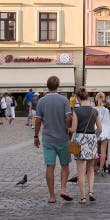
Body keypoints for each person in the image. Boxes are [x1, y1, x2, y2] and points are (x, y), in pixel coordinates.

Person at [34, 75, 75, 204]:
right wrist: (68, 129)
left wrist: (36, 136)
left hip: (48, 139)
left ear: (47, 86)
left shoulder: (41, 101)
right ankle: (63, 189)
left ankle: (52, 196)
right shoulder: (64, 100)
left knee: (50, 166)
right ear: (58, 86)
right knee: (65, 165)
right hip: (63, 138)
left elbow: (38, 120)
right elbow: (68, 117)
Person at [72, 88, 102, 204]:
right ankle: (91, 192)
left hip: (79, 140)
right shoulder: (94, 111)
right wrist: (94, 137)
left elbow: (74, 129)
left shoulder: (76, 111)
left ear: (78, 98)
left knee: (80, 171)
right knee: (90, 169)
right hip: (92, 139)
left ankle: (83, 197)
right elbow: (100, 129)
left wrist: (68, 128)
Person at [94, 92, 110, 175]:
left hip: (96, 130)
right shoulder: (106, 110)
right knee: (103, 151)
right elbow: (109, 122)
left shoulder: (94, 109)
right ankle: (101, 168)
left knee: (94, 151)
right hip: (105, 131)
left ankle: (94, 167)